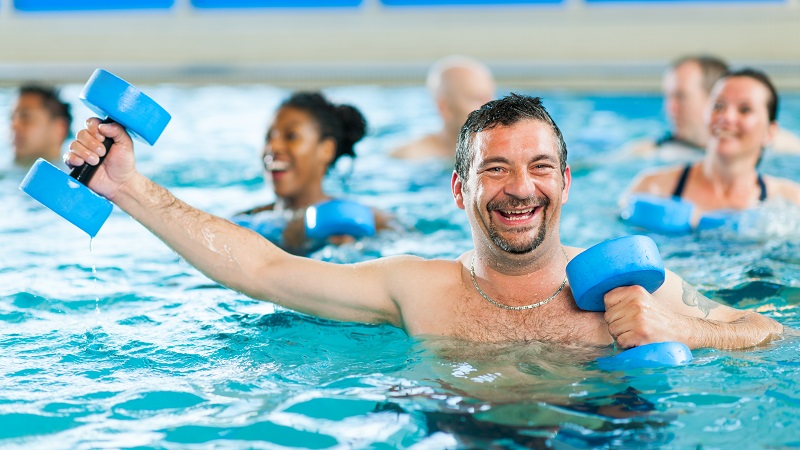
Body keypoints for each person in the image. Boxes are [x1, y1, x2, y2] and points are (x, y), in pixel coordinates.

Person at [66, 93, 782, 349]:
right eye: (493, 170)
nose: (517, 189)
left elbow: (771, 333)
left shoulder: (631, 287)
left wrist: (683, 330)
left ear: (564, 182)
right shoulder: (417, 290)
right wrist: (128, 187)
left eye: (537, 167)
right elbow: (263, 269)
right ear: (458, 189)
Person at [622, 68, 800, 227]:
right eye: (718, 106)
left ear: (770, 132)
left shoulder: (790, 201)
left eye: (744, 109)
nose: (726, 117)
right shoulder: (651, 188)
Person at [232, 91, 392, 255]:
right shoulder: (244, 221)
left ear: (326, 150)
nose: (273, 147)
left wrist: (354, 250)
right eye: (268, 137)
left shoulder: (373, 221)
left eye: (291, 136)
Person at [627, 55, 800, 160]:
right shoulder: (648, 153)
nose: (670, 108)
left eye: (681, 97)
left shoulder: (778, 145)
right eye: (668, 96)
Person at [390, 55, 496, 161]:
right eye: (476, 99)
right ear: (445, 108)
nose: (490, 107)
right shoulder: (411, 156)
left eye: (491, 98)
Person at [10, 84, 72, 166]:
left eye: (26, 117)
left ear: (60, 128)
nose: (14, 125)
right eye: (12, 118)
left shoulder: (74, 176)